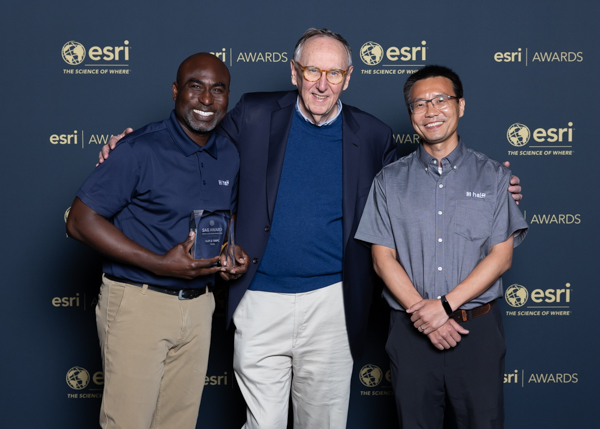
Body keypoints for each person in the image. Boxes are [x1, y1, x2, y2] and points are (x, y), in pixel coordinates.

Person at [99, 30, 522, 429]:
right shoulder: (254, 112)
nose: (322, 84)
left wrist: (492, 187)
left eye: (334, 73)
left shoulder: (372, 135)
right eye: (312, 71)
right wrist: (136, 143)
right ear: (294, 72)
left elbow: (414, 194)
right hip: (259, 296)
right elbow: (196, 143)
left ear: (348, 77)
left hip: (331, 304)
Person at [66, 52, 249, 429]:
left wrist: (231, 249)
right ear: (175, 91)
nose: (205, 99)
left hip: (199, 307)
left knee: (178, 424)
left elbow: (225, 216)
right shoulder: (139, 149)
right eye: (195, 87)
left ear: (228, 97)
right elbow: (81, 221)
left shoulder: (229, 154)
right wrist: (159, 263)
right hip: (138, 302)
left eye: (218, 90)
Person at [355, 65, 528, 428]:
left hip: (476, 332)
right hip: (410, 330)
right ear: (411, 116)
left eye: (441, 100)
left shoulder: (495, 177)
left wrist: (446, 306)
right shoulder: (388, 180)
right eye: (420, 104)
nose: (431, 110)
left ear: (461, 106)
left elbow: (502, 256)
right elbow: (382, 258)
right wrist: (425, 313)